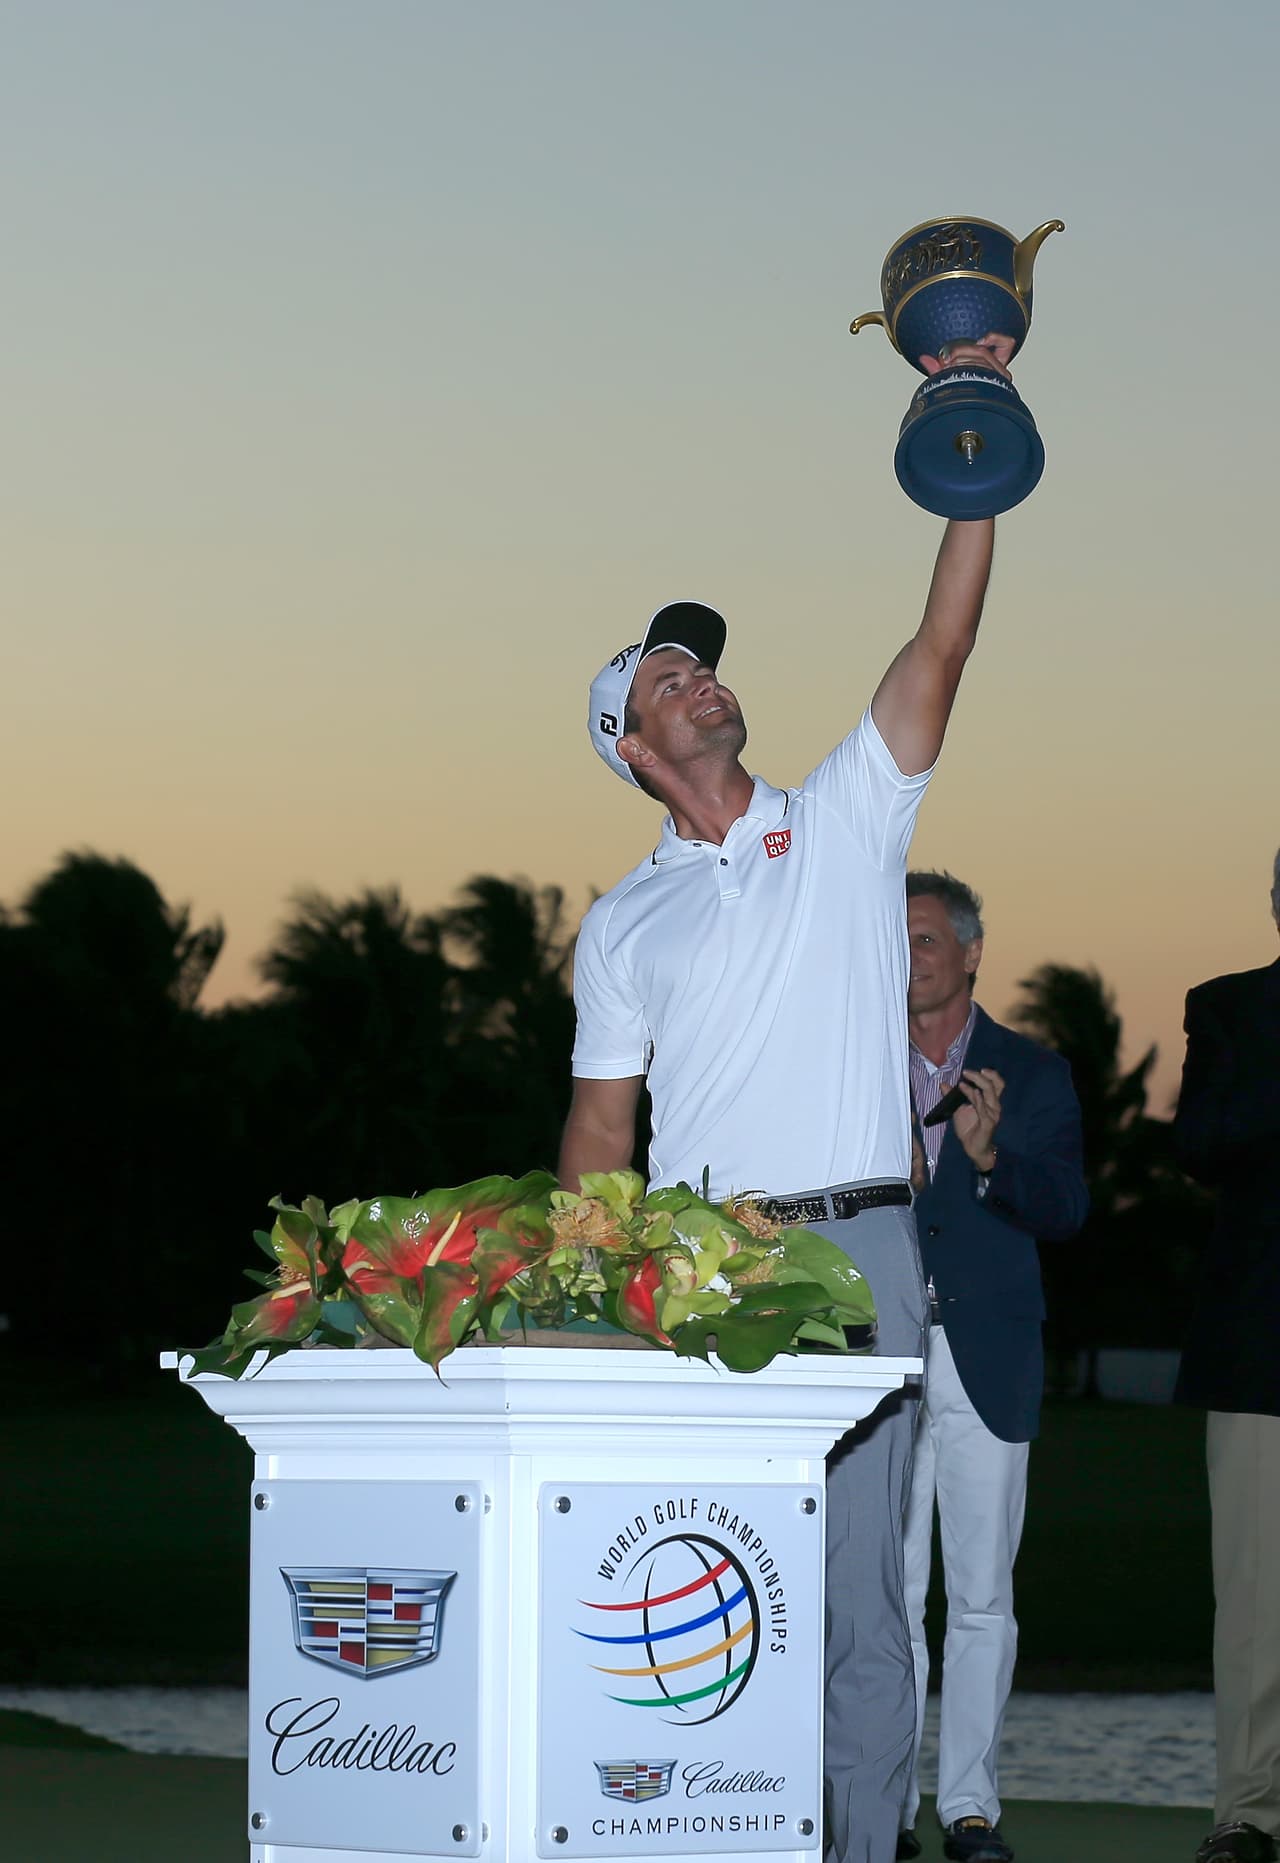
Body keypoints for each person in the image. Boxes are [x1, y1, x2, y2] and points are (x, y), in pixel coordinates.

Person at [559, 328, 1016, 1863]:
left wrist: (976, 441)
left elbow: (938, 647)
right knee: (712, 1572)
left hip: (864, 1249)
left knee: (858, 1595)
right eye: (671, 672)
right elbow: (601, 1125)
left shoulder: (842, 821)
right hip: (706, 1262)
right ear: (632, 744)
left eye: (708, 660)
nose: (707, 676)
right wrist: (587, 1277)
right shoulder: (625, 921)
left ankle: (860, 1849)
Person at [897, 871, 1087, 1862]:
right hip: (875, 1361)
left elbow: (1063, 1209)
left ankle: (967, 1808)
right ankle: (881, 1804)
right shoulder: (853, 1060)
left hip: (989, 1357)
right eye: (896, 938)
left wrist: (982, 1160)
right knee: (883, 1592)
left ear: (971, 953)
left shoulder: (1033, 1072)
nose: (908, 954)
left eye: (925, 938)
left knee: (977, 1597)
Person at [1173, 848, 1280, 1863]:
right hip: (1262, 1349)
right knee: (1253, 1598)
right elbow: (1197, 1144)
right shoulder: (1230, 1009)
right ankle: (1248, 1815)